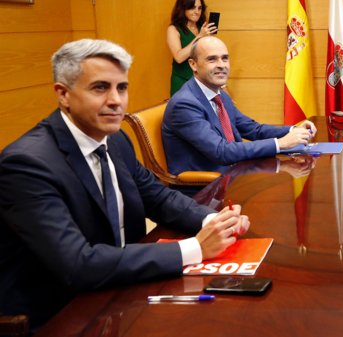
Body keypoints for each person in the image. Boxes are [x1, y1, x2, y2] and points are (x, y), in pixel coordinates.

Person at [0, 39, 249, 331]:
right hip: (59, 311)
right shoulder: (26, 164)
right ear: (63, 94)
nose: (116, 100)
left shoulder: (114, 138)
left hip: (122, 289)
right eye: (100, 87)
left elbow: (157, 197)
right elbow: (77, 264)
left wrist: (212, 220)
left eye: (122, 87)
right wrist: (195, 248)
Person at [162, 36, 317, 176]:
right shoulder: (184, 104)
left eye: (225, 58)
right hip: (204, 191)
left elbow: (254, 130)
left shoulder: (221, 96)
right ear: (193, 65)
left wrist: (293, 130)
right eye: (212, 59)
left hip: (234, 175)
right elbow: (221, 151)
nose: (221, 65)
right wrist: (281, 144)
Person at [166, 0, 217, 97]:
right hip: (182, 82)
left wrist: (222, 86)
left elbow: (211, 58)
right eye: (192, 8)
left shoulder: (202, 28)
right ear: (183, 8)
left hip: (203, 82)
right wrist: (199, 37)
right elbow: (179, 57)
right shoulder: (174, 29)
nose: (197, 12)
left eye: (199, 8)